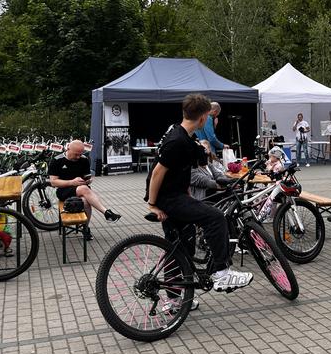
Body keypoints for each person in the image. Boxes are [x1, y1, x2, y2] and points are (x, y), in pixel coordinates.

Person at [146, 94, 253, 293]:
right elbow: (157, 172)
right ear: (204, 118)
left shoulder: (181, 134)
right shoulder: (178, 140)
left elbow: (181, 169)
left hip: (175, 195)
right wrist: (152, 203)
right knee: (216, 218)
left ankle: (173, 299)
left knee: (180, 248)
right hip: (170, 199)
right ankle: (221, 273)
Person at [49, 140, 121, 240]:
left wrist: (88, 180)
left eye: (80, 154)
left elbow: (86, 176)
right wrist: (71, 182)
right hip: (64, 190)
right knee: (84, 189)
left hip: (82, 190)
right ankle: (106, 212)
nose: (79, 157)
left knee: (86, 202)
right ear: (68, 149)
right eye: (76, 154)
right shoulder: (57, 160)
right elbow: (53, 182)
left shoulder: (84, 159)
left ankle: (85, 229)